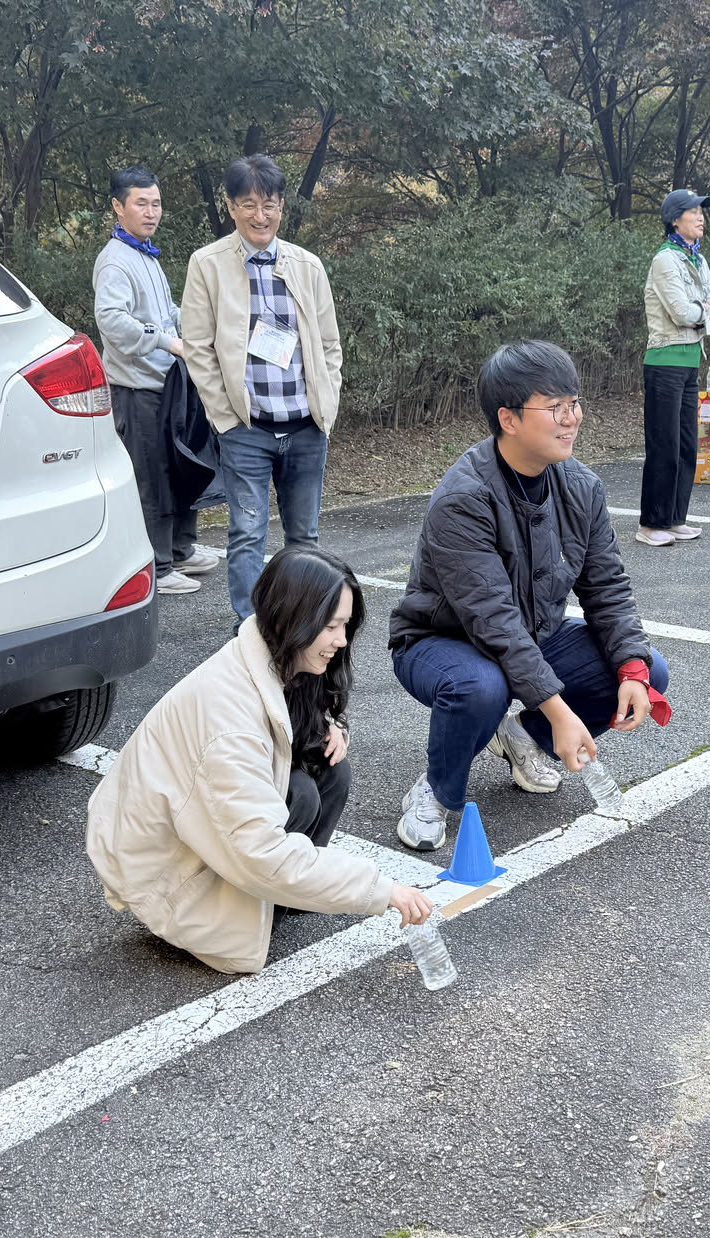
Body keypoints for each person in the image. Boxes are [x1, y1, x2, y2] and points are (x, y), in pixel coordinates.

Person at [86, 547, 433, 974]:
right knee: (300, 795)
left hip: (190, 832)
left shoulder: (270, 656)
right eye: (331, 626)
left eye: (345, 625)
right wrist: (381, 890)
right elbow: (261, 851)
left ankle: (286, 896)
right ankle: (265, 900)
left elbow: (282, 723)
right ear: (293, 621)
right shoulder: (229, 723)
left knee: (330, 769)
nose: (342, 640)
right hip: (165, 875)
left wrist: (328, 725)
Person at [389, 342, 671, 851]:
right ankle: (437, 788)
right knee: (482, 686)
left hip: (532, 635)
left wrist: (633, 668)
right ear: (509, 419)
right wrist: (562, 714)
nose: (572, 418)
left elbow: (606, 587)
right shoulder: (463, 498)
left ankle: (523, 736)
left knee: (648, 668)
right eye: (555, 407)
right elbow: (493, 621)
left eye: (574, 403)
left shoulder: (581, 487)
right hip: (442, 641)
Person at [179, 154, 344, 622]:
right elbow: (198, 347)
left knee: (304, 538)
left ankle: (302, 625)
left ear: (281, 206)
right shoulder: (207, 264)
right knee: (247, 535)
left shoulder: (307, 265)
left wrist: (326, 405)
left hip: (306, 427)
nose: (260, 215)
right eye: (248, 204)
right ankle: (251, 630)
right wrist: (225, 418)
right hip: (247, 429)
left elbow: (329, 345)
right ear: (231, 206)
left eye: (268, 204)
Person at [93, 165, 218, 596]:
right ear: (118, 206)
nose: (151, 212)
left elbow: (165, 314)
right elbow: (112, 322)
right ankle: (158, 567)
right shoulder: (115, 261)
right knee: (152, 479)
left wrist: (196, 325)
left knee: (182, 468)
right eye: (141, 203)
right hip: (136, 390)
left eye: (156, 203)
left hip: (167, 387)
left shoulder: (146, 254)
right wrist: (167, 341)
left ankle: (181, 550)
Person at [637, 189, 710, 548]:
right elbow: (681, 312)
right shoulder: (665, 260)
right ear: (675, 219)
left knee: (688, 445)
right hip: (664, 362)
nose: (701, 217)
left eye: (702, 211)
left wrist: (702, 310)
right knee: (665, 445)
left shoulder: (698, 259)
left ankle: (675, 518)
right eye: (693, 211)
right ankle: (650, 524)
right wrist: (703, 311)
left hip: (690, 362)